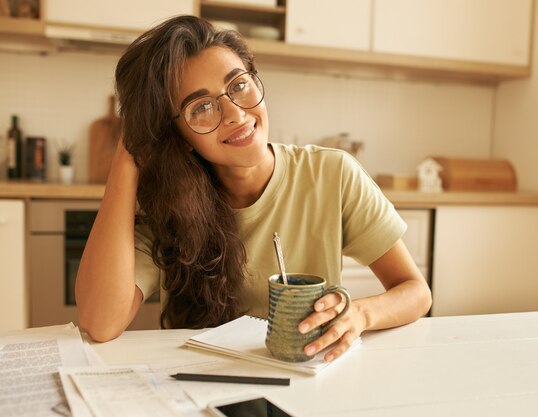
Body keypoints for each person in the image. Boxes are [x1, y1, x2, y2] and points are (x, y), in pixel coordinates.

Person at [75, 15, 432, 362]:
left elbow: (415, 292)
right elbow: (101, 323)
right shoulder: (168, 206)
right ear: (178, 137)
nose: (235, 114)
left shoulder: (333, 173)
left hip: (304, 382)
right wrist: (128, 154)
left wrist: (360, 315)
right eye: (201, 107)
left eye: (239, 85)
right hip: (201, 385)